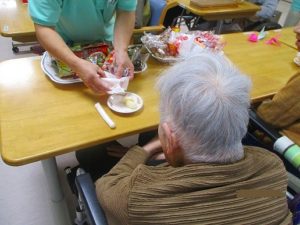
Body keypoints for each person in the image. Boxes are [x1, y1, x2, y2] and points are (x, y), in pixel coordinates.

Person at [95, 52, 291, 225]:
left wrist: (144, 149)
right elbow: (240, 195)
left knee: (89, 156)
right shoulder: (273, 170)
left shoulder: (137, 198)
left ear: (171, 140)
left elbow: (106, 186)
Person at [29, 0, 137, 94]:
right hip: (64, 48)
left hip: (107, 41)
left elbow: (126, 10)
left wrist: (121, 50)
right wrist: (76, 64)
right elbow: (44, 27)